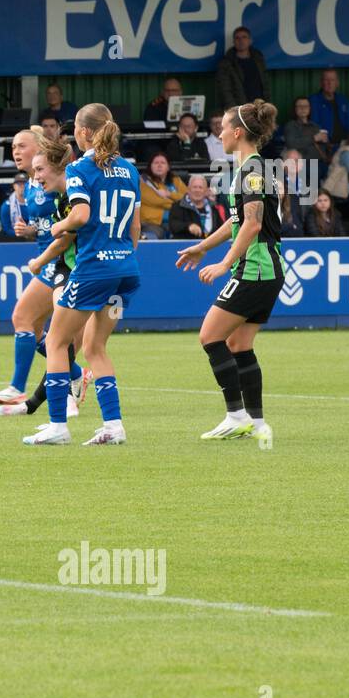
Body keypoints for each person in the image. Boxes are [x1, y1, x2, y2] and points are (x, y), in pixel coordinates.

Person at [26, 104, 141, 447]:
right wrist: (122, 257)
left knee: (56, 342)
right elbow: (135, 227)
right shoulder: (129, 170)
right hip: (126, 271)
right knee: (95, 346)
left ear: (84, 132)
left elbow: (80, 215)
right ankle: (113, 426)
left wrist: (57, 227)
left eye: (75, 127)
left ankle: (58, 426)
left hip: (93, 270)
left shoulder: (80, 168)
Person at [176, 99, 281, 447]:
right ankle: (255, 420)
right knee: (239, 343)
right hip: (268, 268)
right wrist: (204, 246)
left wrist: (223, 264)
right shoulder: (250, 169)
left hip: (255, 267)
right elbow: (237, 221)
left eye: (222, 126)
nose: (218, 132)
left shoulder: (253, 171)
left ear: (237, 132)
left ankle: (236, 416)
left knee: (210, 336)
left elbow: (251, 225)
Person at [0, 128, 87, 414]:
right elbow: (50, 226)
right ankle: (74, 375)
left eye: (21, 145)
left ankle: (20, 390)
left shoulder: (59, 179)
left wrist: (42, 258)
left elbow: (68, 226)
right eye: (13, 146)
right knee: (45, 332)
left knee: (24, 318)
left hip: (63, 259)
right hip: (53, 257)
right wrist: (31, 232)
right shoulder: (32, 183)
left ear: (40, 147)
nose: (16, 151)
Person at [214, 26, 269, 111]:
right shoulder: (226, 63)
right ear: (233, 42)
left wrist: (266, 105)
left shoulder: (258, 59)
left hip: (259, 106)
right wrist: (234, 109)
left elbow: (265, 84)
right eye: (237, 38)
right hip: (240, 109)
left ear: (250, 40)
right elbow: (225, 90)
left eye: (244, 37)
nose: (241, 40)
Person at [138, 151, 187, 240]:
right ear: (150, 166)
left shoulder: (176, 180)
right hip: (152, 223)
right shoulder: (143, 181)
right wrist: (177, 205)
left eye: (163, 163)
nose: (159, 165)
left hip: (176, 222)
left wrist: (169, 194)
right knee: (151, 238)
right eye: (156, 163)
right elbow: (154, 200)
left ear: (168, 167)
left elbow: (187, 198)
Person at [168, 174, 227, 239]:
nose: (197, 190)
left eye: (200, 187)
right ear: (188, 189)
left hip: (211, 245)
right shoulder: (178, 206)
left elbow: (222, 228)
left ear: (206, 191)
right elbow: (173, 225)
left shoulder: (215, 208)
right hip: (185, 246)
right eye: (194, 187)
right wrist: (188, 226)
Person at [307, 69, 349, 141]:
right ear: (321, 83)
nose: (329, 83)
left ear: (337, 83)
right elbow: (313, 124)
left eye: (332, 80)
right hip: (325, 145)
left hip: (345, 143)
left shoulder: (344, 100)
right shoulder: (313, 100)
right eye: (326, 80)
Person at [282, 96, 330, 165]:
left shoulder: (315, 126)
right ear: (295, 109)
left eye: (306, 106)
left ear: (310, 108)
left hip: (320, 163)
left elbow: (324, 146)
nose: (303, 108)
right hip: (302, 165)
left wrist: (325, 141)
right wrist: (314, 138)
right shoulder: (291, 126)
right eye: (299, 106)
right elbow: (291, 144)